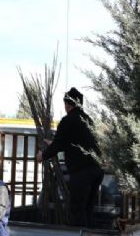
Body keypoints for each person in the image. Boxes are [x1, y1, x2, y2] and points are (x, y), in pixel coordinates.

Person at [36, 87, 104, 227]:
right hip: (96, 170)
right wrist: (54, 143)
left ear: (68, 104)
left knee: (78, 210)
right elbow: (71, 141)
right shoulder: (88, 119)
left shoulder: (68, 120)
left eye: (65, 104)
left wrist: (42, 155)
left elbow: (59, 144)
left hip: (82, 172)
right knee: (88, 210)